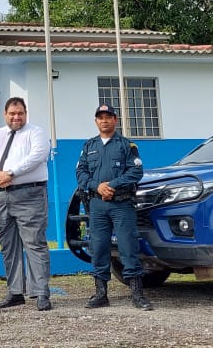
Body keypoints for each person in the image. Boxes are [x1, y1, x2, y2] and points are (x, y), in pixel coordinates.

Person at [0, 97, 53, 311]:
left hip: (30, 194)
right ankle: (15, 291)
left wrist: (11, 172)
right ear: (5, 114)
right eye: (12, 113)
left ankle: (41, 293)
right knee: (8, 246)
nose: (16, 117)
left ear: (25, 113)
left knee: (34, 243)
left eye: (20, 113)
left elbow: (38, 156)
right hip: (1, 196)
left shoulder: (36, 132)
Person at [75, 104, 153, 310]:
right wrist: (97, 187)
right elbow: (81, 173)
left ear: (115, 120)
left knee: (128, 247)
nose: (104, 120)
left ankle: (137, 295)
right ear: (96, 121)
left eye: (108, 116)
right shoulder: (88, 146)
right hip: (98, 205)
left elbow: (136, 172)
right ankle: (101, 293)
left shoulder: (127, 146)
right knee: (98, 247)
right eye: (100, 117)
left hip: (121, 204)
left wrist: (112, 185)